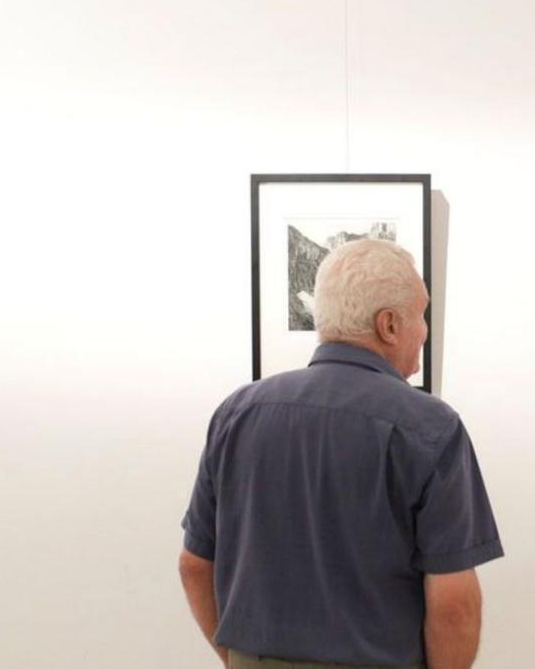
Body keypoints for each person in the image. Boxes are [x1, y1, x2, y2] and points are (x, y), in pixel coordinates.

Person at [179, 239, 504, 669]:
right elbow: (453, 601)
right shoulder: (429, 427)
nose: (424, 331)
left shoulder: (238, 412)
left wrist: (239, 659)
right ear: (388, 324)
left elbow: (194, 564)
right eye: (421, 316)